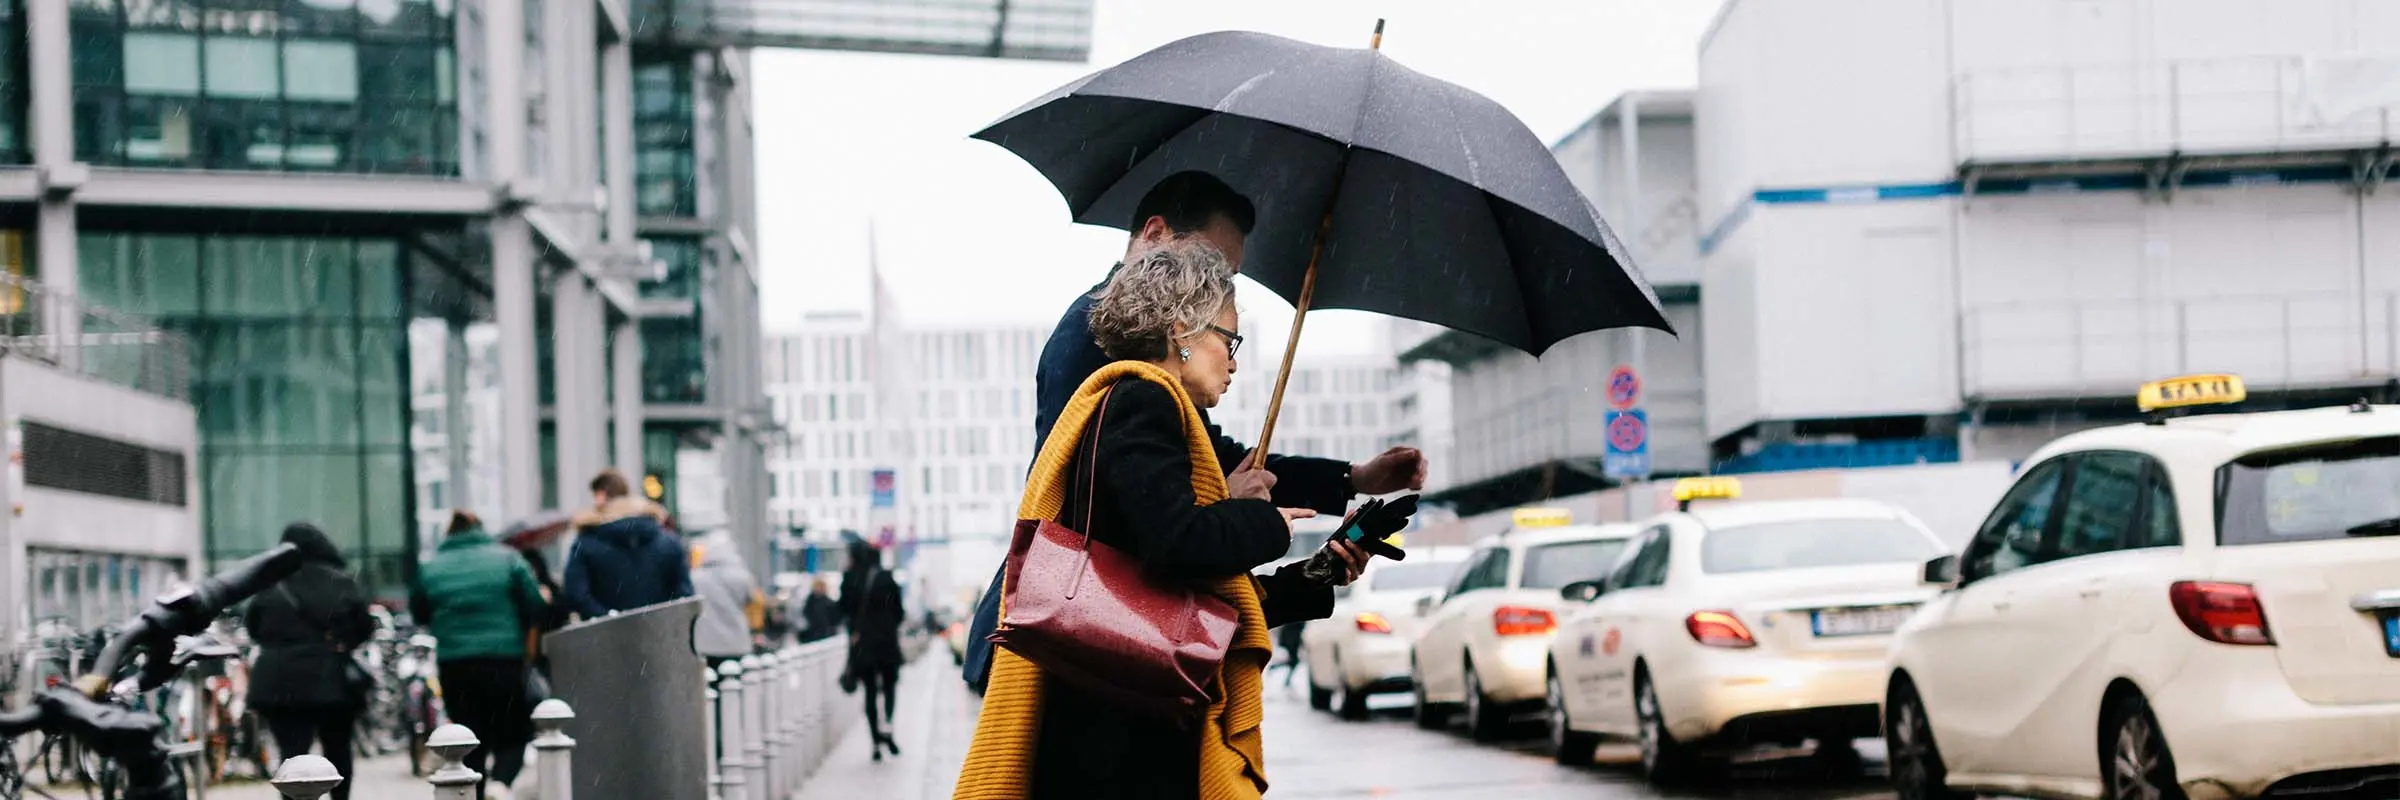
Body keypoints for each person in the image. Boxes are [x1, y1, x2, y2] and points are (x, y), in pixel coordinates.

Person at [962, 170, 1429, 695]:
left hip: (1097, 648)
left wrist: (1352, 482)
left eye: (1226, 274)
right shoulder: (1109, 354)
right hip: (1078, 652)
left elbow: (1212, 469)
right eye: (1210, 268)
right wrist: (1236, 511)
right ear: (1157, 238)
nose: (1219, 285)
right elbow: (1115, 525)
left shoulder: (1157, 379)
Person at [955, 241, 1375, 799]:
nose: (1233, 360)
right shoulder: (1141, 403)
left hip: (1121, 716)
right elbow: (1174, 542)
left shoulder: (1142, 407)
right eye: (1228, 339)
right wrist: (1264, 522)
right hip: (1118, 733)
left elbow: (1173, 600)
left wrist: (1316, 575)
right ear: (1182, 331)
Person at [410, 511, 547, 799]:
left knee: (468, 735)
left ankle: (476, 791)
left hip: (455, 663)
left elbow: (419, 610)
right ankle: (501, 782)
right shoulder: (507, 558)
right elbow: (534, 603)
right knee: (513, 732)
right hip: (503, 660)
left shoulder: (431, 566)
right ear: (480, 529)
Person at [245, 523, 374, 800]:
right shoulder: (340, 581)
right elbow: (364, 626)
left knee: (291, 755)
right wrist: (343, 641)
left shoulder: (271, 583)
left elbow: (253, 628)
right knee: (338, 750)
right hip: (331, 681)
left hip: (280, 681)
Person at [561, 468, 692, 619]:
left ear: (601, 496)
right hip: (661, 634)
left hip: (605, 637)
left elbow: (575, 594)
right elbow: (684, 593)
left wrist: (607, 617)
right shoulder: (669, 541)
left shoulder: (586, 544)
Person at [840, 538, 906, 761]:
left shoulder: (850, 578)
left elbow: (843, 610)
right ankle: (887, 723)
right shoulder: (887, 578)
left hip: (864, 644)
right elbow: (899, 612)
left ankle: (875, 741)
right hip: (887, 641)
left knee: (869, 690)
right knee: (889, 686)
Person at [689, 528, 760, 672]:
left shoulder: (696, 577)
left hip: (705, 643)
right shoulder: (741, 576)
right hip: (736, 642)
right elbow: (751, 600)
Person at [794, 577, 841, 643]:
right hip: (813, 635)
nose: (819, 588)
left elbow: (835, 619)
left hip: (826, 635)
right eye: (817, 586)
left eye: (821, 586)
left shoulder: (829, 603)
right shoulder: (810, 602)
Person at [1273, 621, 1307, 690]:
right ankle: (1275, 669)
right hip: (1292, 641)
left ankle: (1286, 681)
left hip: (1293, 640)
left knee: (1293, 661)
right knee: (1293, 661)